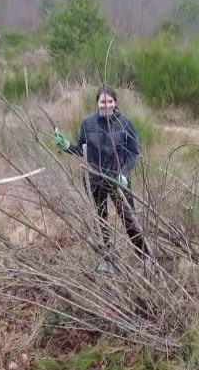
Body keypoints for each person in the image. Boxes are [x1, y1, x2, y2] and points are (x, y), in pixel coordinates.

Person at [54, 85, 145, 272]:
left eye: (110, 101)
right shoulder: (88, 124)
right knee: (100, 219)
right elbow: (81, 149)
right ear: (97, 103)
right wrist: (66, 145)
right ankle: (107, 260)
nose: (106, 105)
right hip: (95, 179)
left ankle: (145, 256)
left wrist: (124, 173)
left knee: (129, 219)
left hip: (119, 180)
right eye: (103, 101)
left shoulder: (126, 124)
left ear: (115, 102)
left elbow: (134, 153)